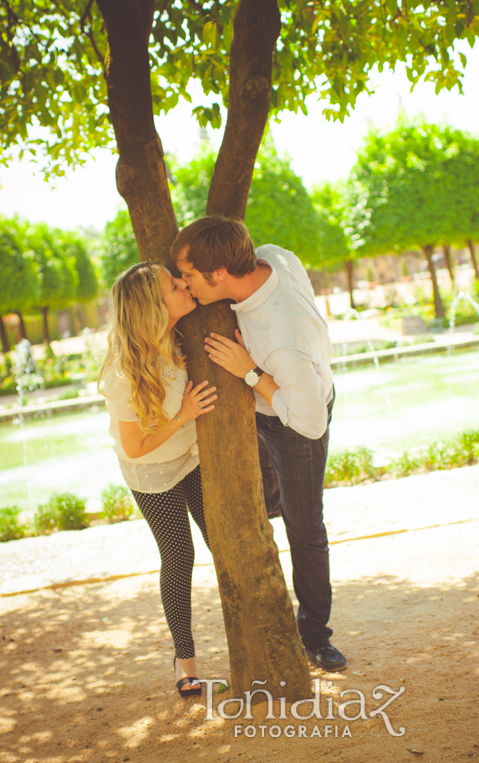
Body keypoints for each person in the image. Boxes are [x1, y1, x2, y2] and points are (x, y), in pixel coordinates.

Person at [171, 216, 347, 672]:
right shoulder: (274, 256)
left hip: (298, 416)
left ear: (220, 274)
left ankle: (315, 636)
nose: (183, 283)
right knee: (266, 505)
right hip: (273, 402)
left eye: (188, 275)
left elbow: (307, 422)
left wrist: (251, 372)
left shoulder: (280, 337)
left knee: (303, 526)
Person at [99, 261, 218, 697]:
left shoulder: (182, 334)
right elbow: (135, 446)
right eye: (173, 284)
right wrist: (182, 415)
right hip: (152, 471)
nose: (184, 283)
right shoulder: (123, 370)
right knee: (179, 555)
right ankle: (184, 663)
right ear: (154, 305)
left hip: (194, 455)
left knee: (222, 540)